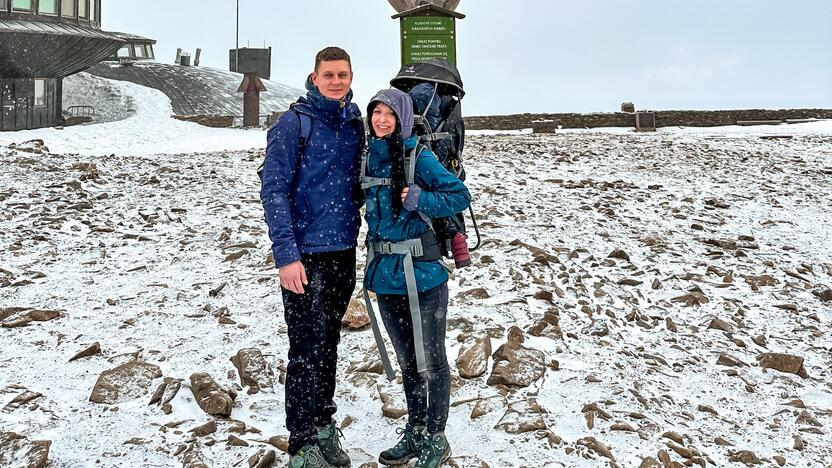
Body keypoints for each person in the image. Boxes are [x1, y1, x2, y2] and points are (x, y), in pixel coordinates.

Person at [260, 46, 364, 468]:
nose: (336, 81)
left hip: (343, 251)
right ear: (314, 77)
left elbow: (355, 186)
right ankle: (301, 444)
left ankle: (324, 426)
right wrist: (286, 255)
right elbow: (274, 190)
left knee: (331, 343)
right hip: (304, 256)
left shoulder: (356, 123)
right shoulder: (293, 124)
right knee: (305, 349)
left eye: (342, 74)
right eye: (329, 75)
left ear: (351, 77)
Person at [361, 88, 470, 468]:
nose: (381, 119)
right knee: (408, 361)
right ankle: (415, 430)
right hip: (386, 276)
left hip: (423, 274)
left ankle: (436, 438)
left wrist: (421, 199)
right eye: (376, 112)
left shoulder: (417, 157)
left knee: (431, 360)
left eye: (390, 113)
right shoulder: (367, 159)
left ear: (402, 118)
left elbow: (459, 195)